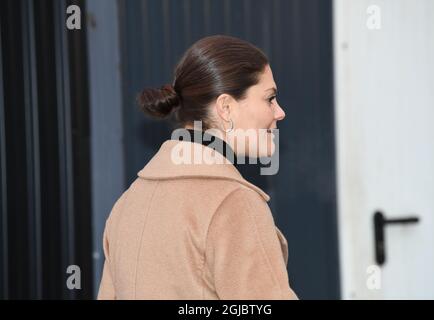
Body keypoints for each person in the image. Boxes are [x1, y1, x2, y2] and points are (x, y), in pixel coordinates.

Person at [97, 35, 298, 300]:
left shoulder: (127, 204)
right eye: (269, 98)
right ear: (226, 108)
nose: (279, 112)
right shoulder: (234, 204)